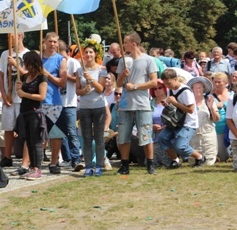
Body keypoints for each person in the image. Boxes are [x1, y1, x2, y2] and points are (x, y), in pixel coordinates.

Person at [115, 32, 159, 175]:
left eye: (126, 42)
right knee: (123, 136)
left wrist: (135, 86)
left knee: (145, 134)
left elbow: (153, 82)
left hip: (142, 103)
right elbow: (118, 83)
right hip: (125, 104)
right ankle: (125, 164)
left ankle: (150, 163)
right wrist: (122, 75)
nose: (124, 45)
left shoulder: (148, 60)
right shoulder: (123, 61)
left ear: (133, 44)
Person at [157, 69, 206, 168]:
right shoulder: (170, 90)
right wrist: (167, 103)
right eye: (165, 84)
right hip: (175, 121)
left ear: (175, 79)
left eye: (169, 83)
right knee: (162, 138)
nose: (167, 86)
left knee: (180, 146)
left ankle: (200, 157)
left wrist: (174, 102)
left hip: (188, 123)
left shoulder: (186, 91)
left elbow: (191, 110)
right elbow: (173, 105)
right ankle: (175, 160)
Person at [13, 51, 48, 180]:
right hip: (24, 111)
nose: (24, 65)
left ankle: (37, 168)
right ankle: (32, 167)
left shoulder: (41, 77)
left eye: (26, 62)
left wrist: (23, 93)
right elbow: (20, 93)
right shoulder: (24, 77)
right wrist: (18, 90)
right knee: (28, 140)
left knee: (36, 142)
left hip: (35, 112)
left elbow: (41, 96)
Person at [76, 39, 108, 176]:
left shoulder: (102, 70)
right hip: (84, 107)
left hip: (98, 106)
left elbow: (101, 89)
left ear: (95, 54)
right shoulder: (79, 70)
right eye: (86, 52)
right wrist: (84, 90)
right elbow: (78, 90)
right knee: (87, 137)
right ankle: (89, 165)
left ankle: (99, 165)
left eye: (91, 52)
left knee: (99, 137)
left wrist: (91, 79)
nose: (88, 54)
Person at [0, 33, 30, 168]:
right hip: (9, 97)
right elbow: (1, 76)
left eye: (12, 36)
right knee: (8, 127)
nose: (9, 39)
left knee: (25, 129)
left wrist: (16, 64)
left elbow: (29, 75)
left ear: (20, 36)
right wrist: (4, 95)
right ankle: (7, 156)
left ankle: (27, 159)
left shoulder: (28, 54)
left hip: (22, 97)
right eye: (7, 37)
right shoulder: (5, 54)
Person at [41, 32, 68, 174]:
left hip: (54, 101)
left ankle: (54, 162)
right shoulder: (38, 59)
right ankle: (35, 162)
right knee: (37, 134)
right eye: (50, 41)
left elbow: (62, 82)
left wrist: (47, 74)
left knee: (56, 134)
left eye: (55, 42)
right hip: (38, 100)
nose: (52, 44)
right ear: (45, 42)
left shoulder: (60, 60)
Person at [59, 41, 83, 171]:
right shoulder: (56, 61)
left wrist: (65, 76)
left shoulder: (74, 62)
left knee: (71, 131)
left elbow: (78, 80)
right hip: (58, 101)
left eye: (63, 55)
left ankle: (76, 158)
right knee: (60, 132)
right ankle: (66, 158)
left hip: (70, 102)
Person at [187, 76, 218, 166]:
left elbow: (216, 119)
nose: (198, 89)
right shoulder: (188, 102)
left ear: (204, 89)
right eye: (195, 87)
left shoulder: (209, 101)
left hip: (208, 136)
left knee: (209, 163)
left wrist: (211, 107)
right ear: (192, 89)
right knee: (192, 163)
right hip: (193, 137)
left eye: (200, 87)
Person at [211, 71, 231, 162]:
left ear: (226, 83)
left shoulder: (232, 95)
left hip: (233, 128)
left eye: (219, 82)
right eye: (215, 82)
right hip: (218, 129)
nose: (217, 84)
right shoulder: (210, 97)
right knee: (224, 157)